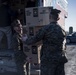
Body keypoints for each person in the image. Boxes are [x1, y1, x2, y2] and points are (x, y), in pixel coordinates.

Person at [22, 8, 68, 75]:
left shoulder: (46, 28)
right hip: (60, 59)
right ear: (58, 19)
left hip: (48, 60)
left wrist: (26, 40)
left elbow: (35, 39)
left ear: (49, 17)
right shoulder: (62, 30)